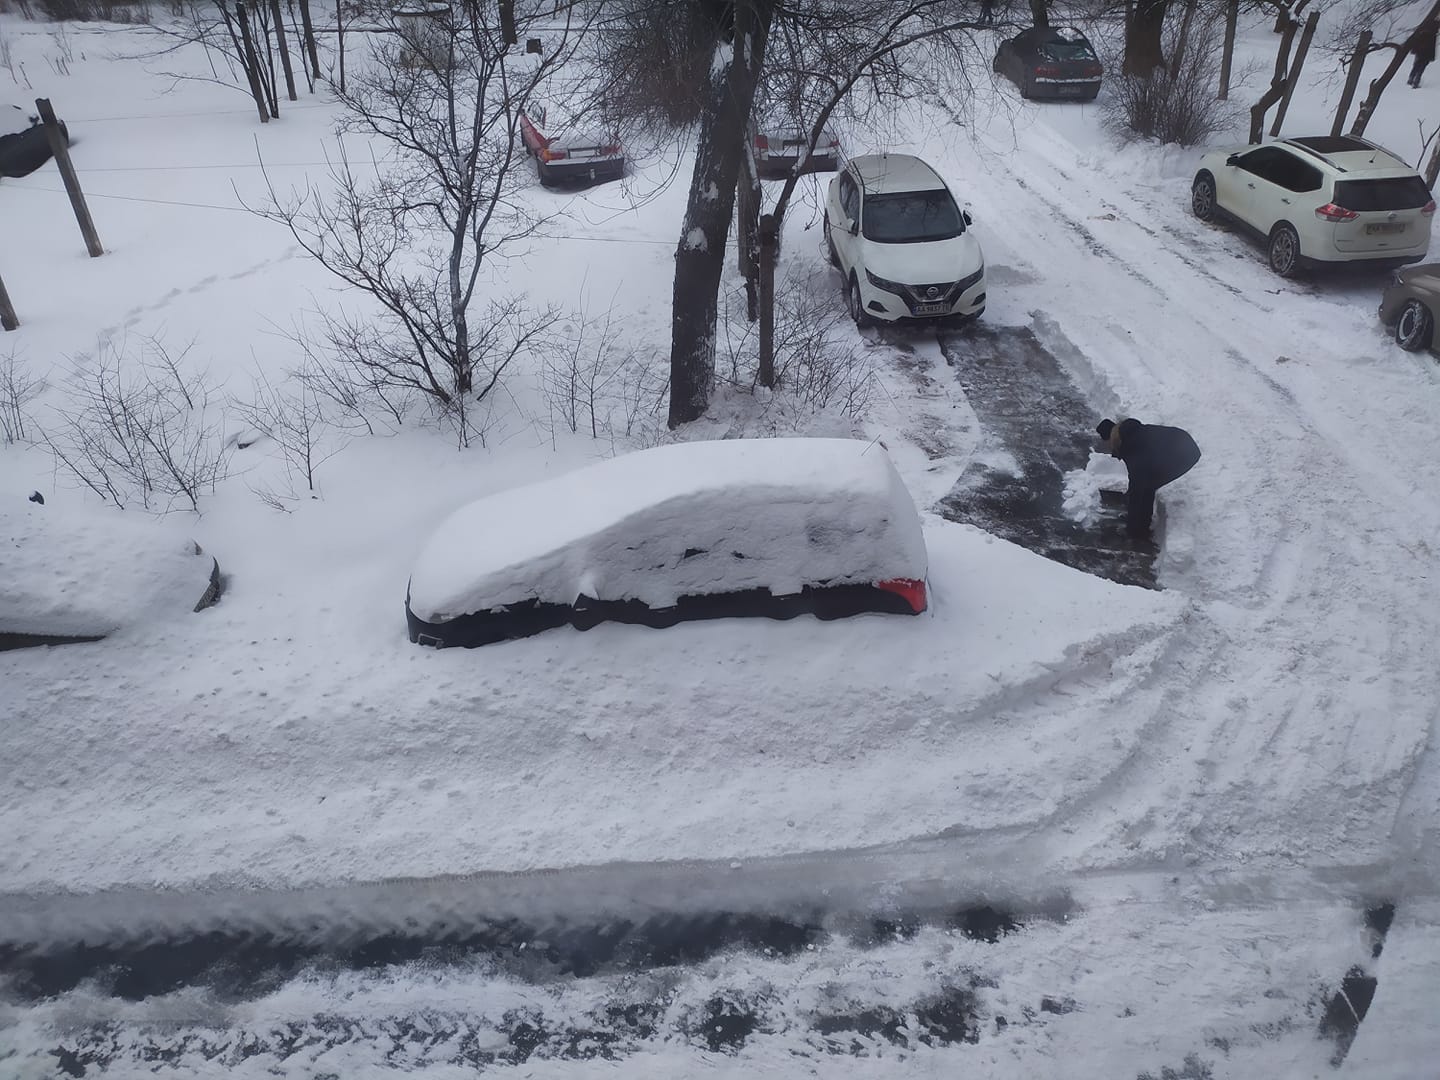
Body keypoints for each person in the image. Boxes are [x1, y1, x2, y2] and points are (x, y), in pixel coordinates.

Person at [1096, 417, 1201, 539]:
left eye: (1106, 442)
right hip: (1182, 446)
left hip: (1184, 454)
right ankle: (1142, 524)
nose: (1108, 447)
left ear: (1110, 438)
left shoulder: (1130, 445)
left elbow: (1136, 486)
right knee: (1147, 485)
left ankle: (1137, 529)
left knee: (1144, 487)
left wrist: (1130, 528)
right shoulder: (1129, 433)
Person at [1410, 18, 1438, 87]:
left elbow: (1417, 41)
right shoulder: (1433, 34)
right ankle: (1416, 80)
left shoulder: (1423, 31)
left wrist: (1414, 50)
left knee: (1417, 65)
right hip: (1427, 52)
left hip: (1420, 51)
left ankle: (1411, 78)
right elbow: (1432, 47)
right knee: (1422, 66)